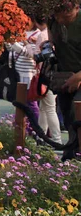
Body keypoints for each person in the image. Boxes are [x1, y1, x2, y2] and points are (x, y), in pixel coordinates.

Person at [48, 0, 81, 149]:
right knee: (67, 114)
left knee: (77, 114)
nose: (61, 20)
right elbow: (51, 36)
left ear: (76, 8)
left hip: (78, 76)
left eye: (66, 17)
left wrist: (78, 76)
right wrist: (49, 43)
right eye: (58, 16)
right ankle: (73, 149)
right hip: (63, 76)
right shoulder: (53, 21)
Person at [34, 16, 62, 145]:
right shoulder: (57, 36)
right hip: (53, 75)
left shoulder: (43, 36)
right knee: (45, 108)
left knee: (49, 108)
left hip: (46, 75)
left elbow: (37, 57)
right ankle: (41, 136)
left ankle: (56, 139)